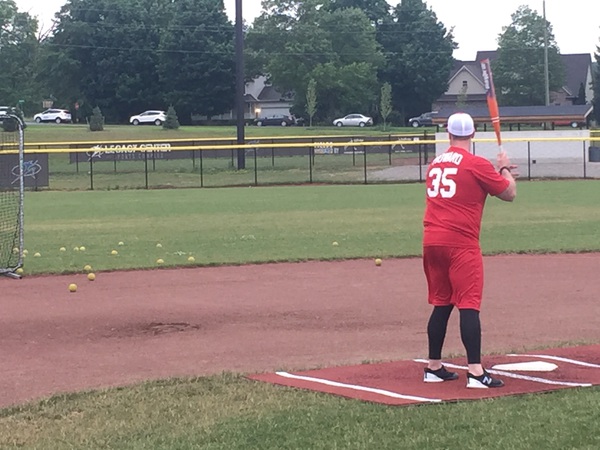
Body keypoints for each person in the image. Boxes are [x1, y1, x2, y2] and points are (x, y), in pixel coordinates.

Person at [421, 112, 517, 389]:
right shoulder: (477, 164)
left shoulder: (435, 164)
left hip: (431, 240)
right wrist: (505, 168)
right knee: (468, 304)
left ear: (448, 134)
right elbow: (509, 193)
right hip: (460, 243)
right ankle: (475, 372)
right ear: (473, 134)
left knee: (442, 303)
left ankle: (433, 366)